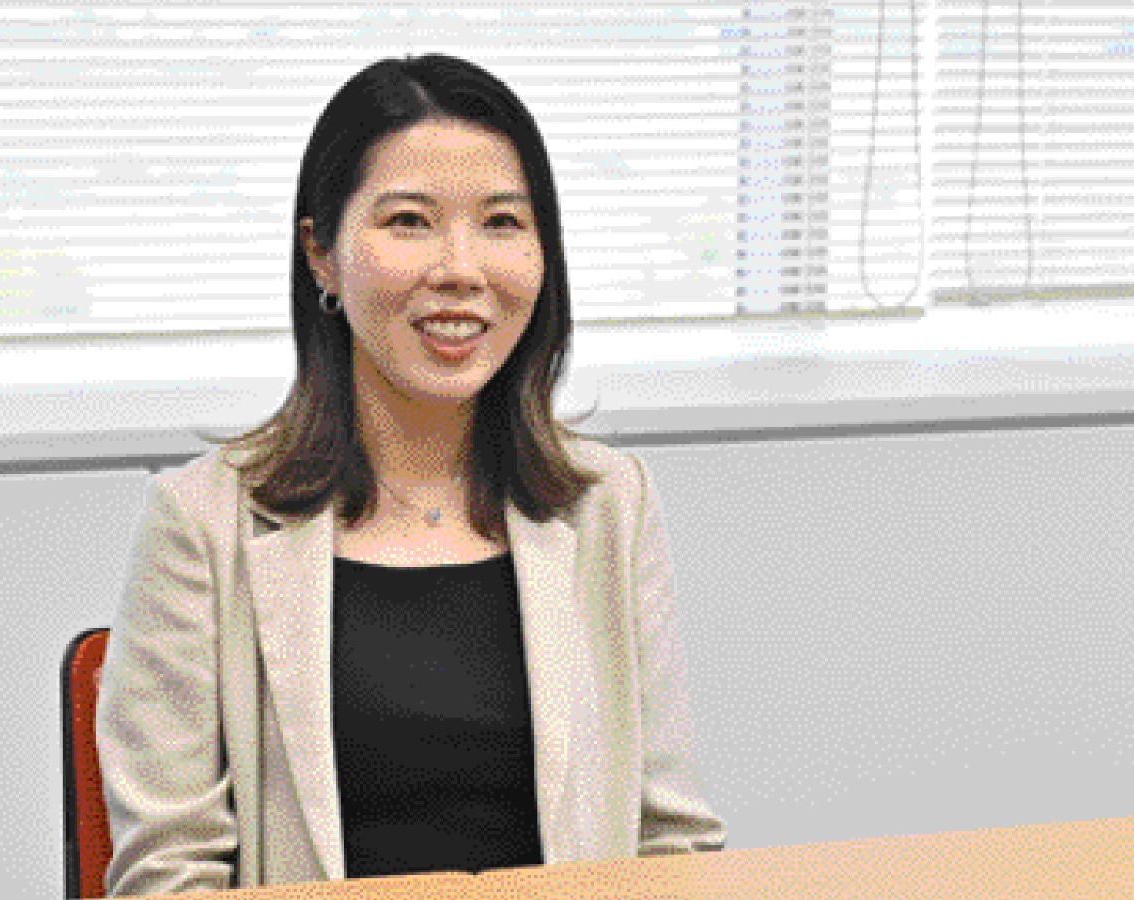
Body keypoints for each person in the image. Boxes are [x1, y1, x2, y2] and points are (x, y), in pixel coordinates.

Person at [95, 53, 725, 897]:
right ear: (321, 254)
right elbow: (169, 878)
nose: (461, 268)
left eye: (502, 222)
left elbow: (670, 844)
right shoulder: (202, 524)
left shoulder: (609, 505)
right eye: (409, 222)